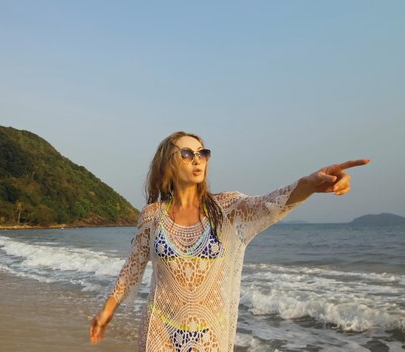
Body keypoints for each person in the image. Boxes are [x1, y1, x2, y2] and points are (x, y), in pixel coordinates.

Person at [89, 131, 370, 351]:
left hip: (211, 333)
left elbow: (270, 204)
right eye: (186, 153)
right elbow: (133, 267)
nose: (197, 159)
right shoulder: (152, 216)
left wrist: (309, 184)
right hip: (159, 330)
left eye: (203, 152)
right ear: (168, 164)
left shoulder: (228, 207)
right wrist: (106, 312)